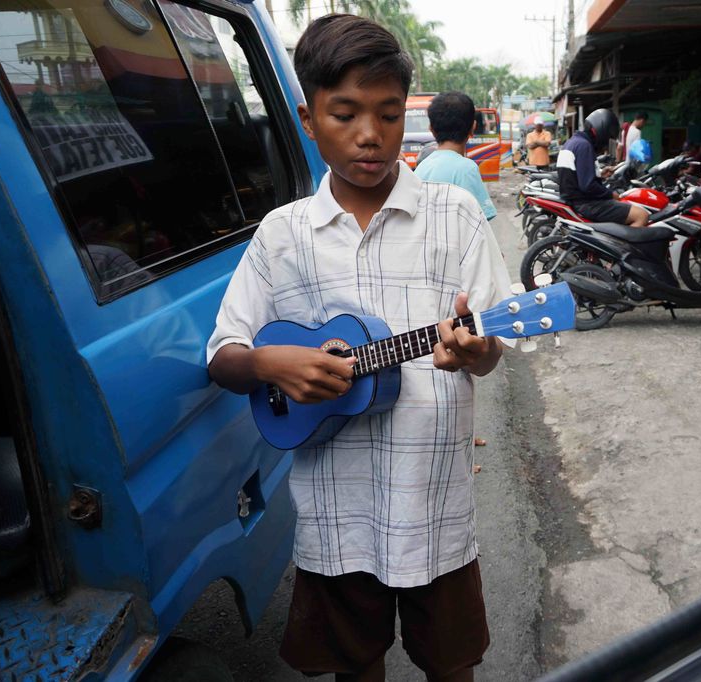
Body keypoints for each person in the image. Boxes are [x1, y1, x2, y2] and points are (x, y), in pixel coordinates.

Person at [206, 14, 513, 680]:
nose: (370, 134)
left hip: (435, 504)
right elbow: (224, 354)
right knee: (355, 663)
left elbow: (492, 347)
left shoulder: (454, 216)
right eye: (344, 114)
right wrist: (268, 362)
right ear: (308, 120)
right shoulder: (282, 235)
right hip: (335, 511)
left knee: (452, 663)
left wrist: (475, 351)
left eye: (389, 114)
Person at [558, 108, 648, 227]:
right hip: (587, 204)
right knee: (641, 215)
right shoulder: (584, 146)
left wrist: (599, 174)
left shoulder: (572, 143)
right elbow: (588, 186)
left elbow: (577, 176)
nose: (606, 141)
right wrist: (611, 194)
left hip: (576, 201)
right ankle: (620, 240)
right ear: (601, 129)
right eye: (608, 136)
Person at [415, 91, 497, 221]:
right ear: (473, 127)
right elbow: (482, 218)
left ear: (431, 129)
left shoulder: (422, 167)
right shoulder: (467, 169)